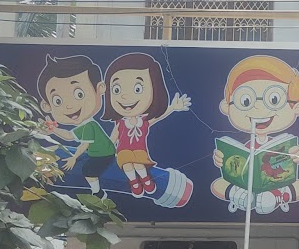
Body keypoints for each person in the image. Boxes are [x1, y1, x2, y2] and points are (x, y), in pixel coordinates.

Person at [213, 55, 299, 213]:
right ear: (227, 107)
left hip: (276, 183)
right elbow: (232, 166)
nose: (258, 108)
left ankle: (279, 196)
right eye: (245, 101)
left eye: (274, 99)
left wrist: (296, 157)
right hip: (245, 184)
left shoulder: (282, 143)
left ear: (296, 107)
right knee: (218, 184)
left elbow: (295, 160)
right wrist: (221, 160)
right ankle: (238, 195)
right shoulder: (244, 146)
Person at [105, 53, 191, 197]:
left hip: (139, 151)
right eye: (117, 90)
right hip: (123, 151)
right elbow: (112, 139)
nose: (125, 96)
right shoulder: (120, 123)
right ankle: (134, 182)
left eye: (137, 89)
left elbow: (158, 117)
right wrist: (106, 151)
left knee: (138, 164)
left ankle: (145, 179)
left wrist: (172, 108)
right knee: (127, 165)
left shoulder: (143, 122)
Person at [37, 55, 113, 194]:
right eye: (58, 101)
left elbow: (84, 145)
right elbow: (69, 136)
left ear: (100, 88)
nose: (69, 106)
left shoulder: (90, 126)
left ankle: (98, 193)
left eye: (79, 94)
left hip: (104, 154)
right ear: (47, 106)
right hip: (93, 153)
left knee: (88, 171)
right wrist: (53, 129)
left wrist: (74, 158)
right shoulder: (85, 125)